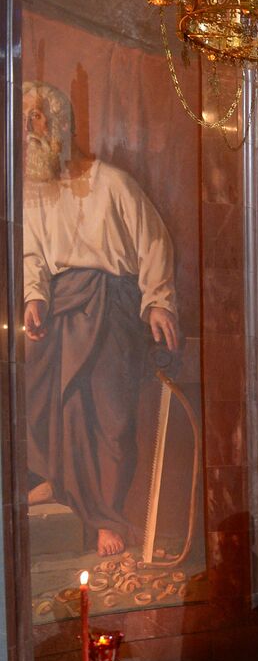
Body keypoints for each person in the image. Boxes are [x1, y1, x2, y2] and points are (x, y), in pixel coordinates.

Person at [21, 81, 179, 557]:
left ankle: (108, 514)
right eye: (24, 118)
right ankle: (70, 495)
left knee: (110, 418)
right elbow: (32, 256)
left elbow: (154, 241)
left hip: (111, 310)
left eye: (38, 116)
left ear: (62, 124)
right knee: (58, 404)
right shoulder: (34, 196)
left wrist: (157, 301)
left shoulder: (111, 182)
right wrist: (34, 297)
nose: (30, 127)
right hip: (64, 311)